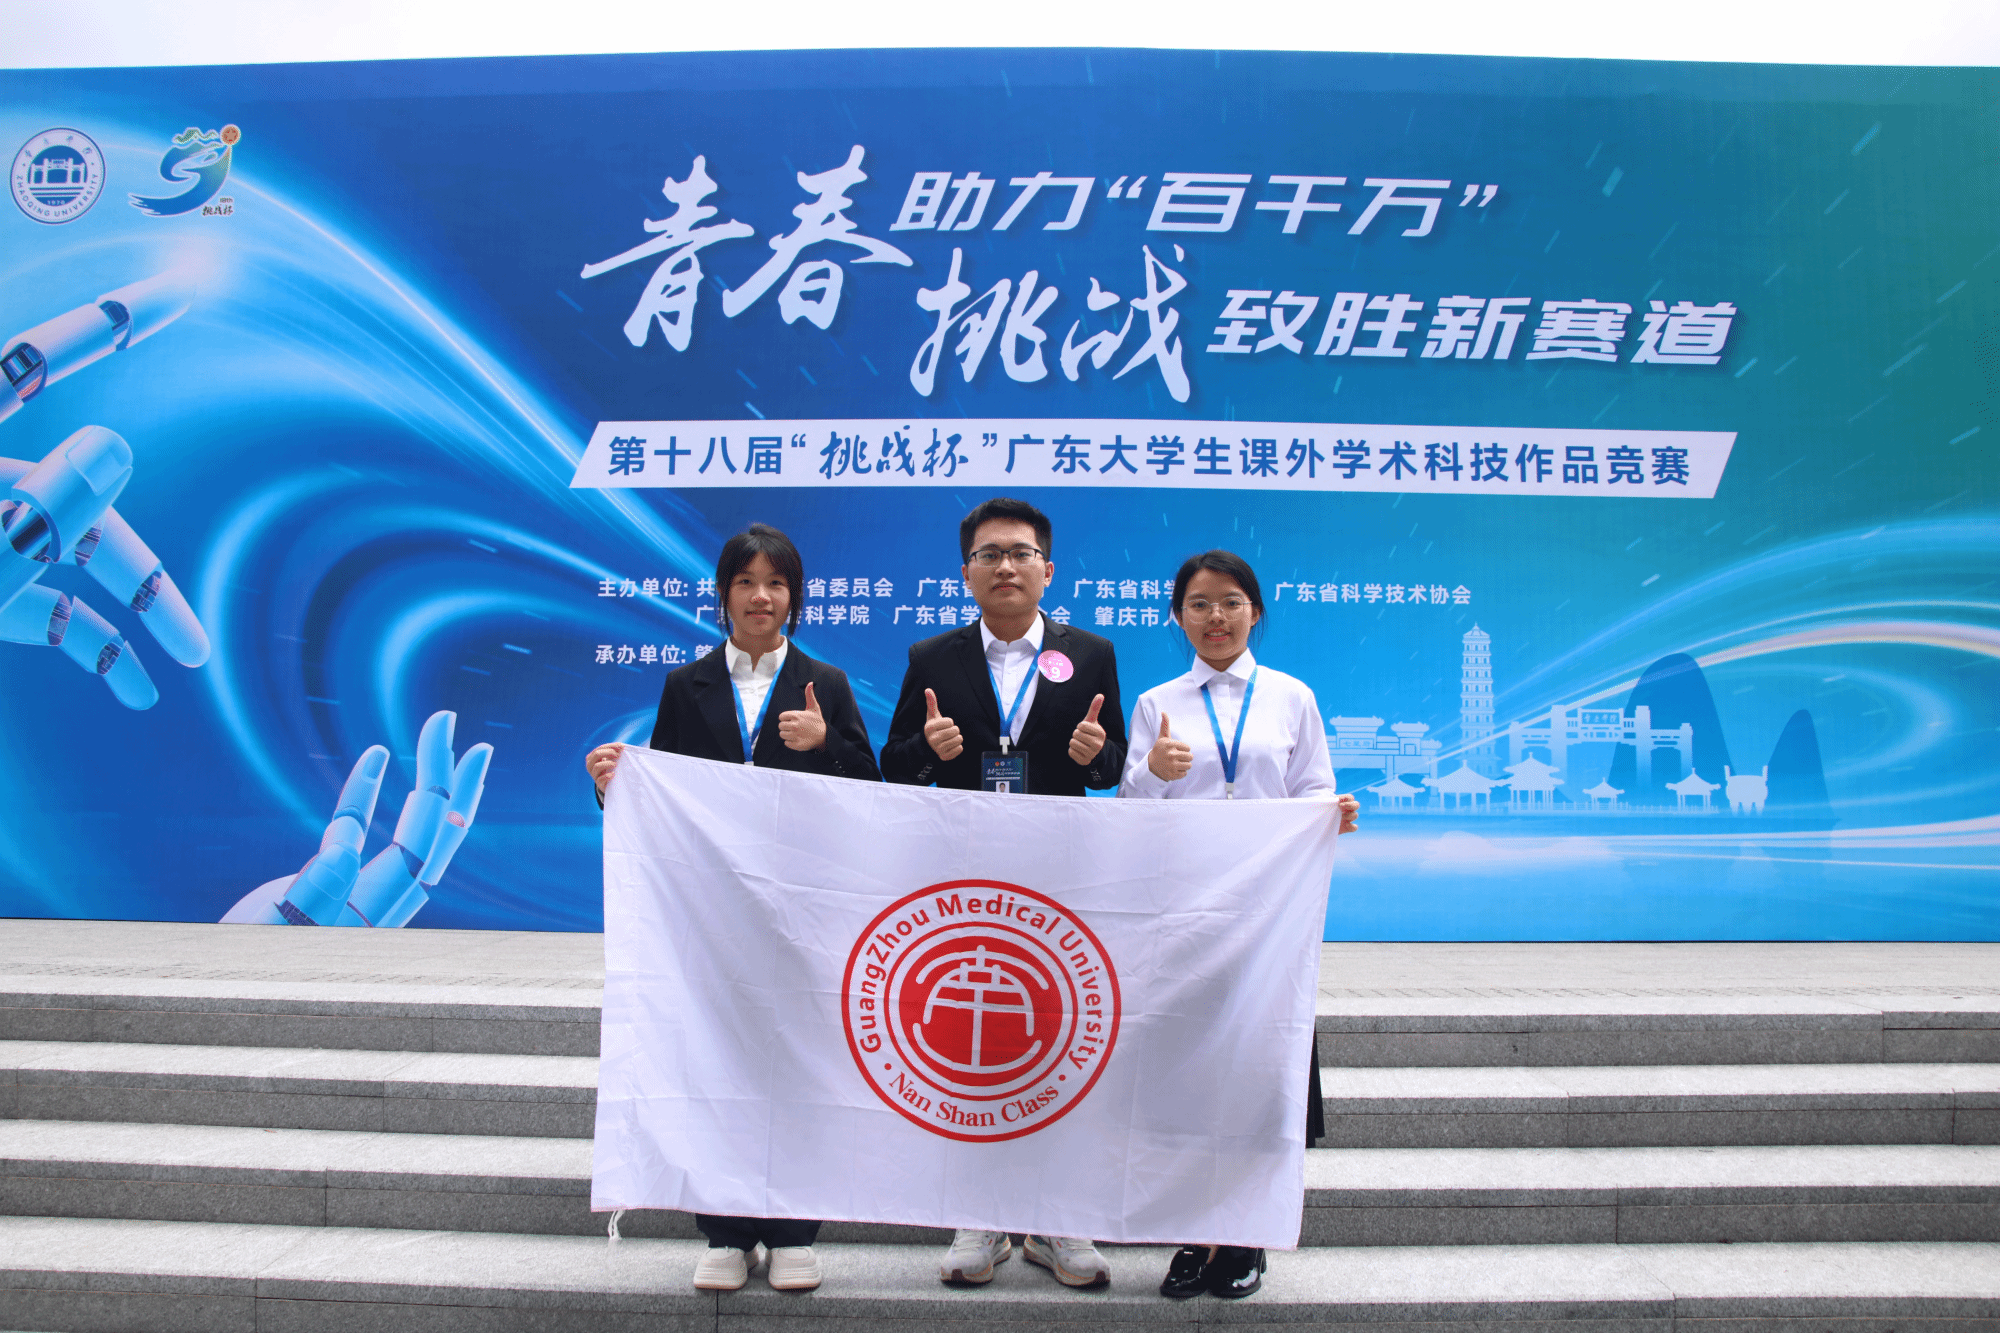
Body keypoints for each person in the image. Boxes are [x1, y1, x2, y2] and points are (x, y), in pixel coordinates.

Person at [584, 522, 879, 1293]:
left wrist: (826, 743)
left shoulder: (825, 682)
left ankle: (793, 1230)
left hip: (801, 913)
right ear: (723, 595)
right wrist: (613, 785)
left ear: (795, 597)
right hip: (712, 916)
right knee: (713, 1058)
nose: (761, 596)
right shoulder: (687, 685)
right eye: (746, 582)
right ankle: (724, 1229)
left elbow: (870, 794)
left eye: (776, 583)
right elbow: (662, 797)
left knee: (799, 1064)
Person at [879, 496, 1127, 1290]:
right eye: (990, 554)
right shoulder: (931, 656)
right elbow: (893, 765)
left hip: (1060, 878)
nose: (1006, 566)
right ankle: (979, 1215)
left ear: (1047, 569)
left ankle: (1058, 1219)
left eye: (1021, 553)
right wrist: (929, 747)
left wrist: (1095, 755)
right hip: (965, 880)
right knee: (968, 1046)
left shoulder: (1091, 652)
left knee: (1061, 1035)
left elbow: (1113, 766)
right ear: (967, 572)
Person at [1118, 549, 1360, 1302]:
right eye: (1198, 603)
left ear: (1255, 610)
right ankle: (1196, 1232)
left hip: (1267, 915)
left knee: (1256, 1067)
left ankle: (1247, 1233)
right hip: (1186, 912)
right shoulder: (1157, 702)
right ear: (1177, 616)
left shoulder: (1291, 696)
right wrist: (1153, 772)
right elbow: (1130, 812)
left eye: (1230, 601)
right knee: (1189, 1070)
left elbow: (1313, 787)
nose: (1215, 617)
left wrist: (1332, 812)